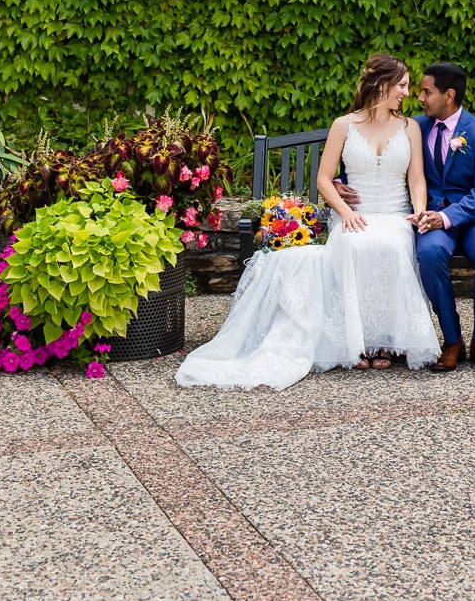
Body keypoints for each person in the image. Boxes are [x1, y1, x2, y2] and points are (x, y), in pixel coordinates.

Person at [174, 54, 440, 390]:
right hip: (356, 213)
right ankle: (355, 340)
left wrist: (417, 211)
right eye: (401, 84)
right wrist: (346, 213)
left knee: (389, 243)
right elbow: (324, 180)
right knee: (354, 242)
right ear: (381, 84)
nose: (407, 92)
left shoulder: (409, 127)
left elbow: (417, 179)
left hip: (395, 213)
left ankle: (381, 339)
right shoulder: (344, 125)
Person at [336, 61, 475, 372]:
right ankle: (452, 340)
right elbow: (366, 162)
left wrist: (446, 217)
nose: (419, 98)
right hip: (430, 217)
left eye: (427, 92)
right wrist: (340, 184)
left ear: (449, 95)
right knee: (428, 253)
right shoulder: (412, 126)